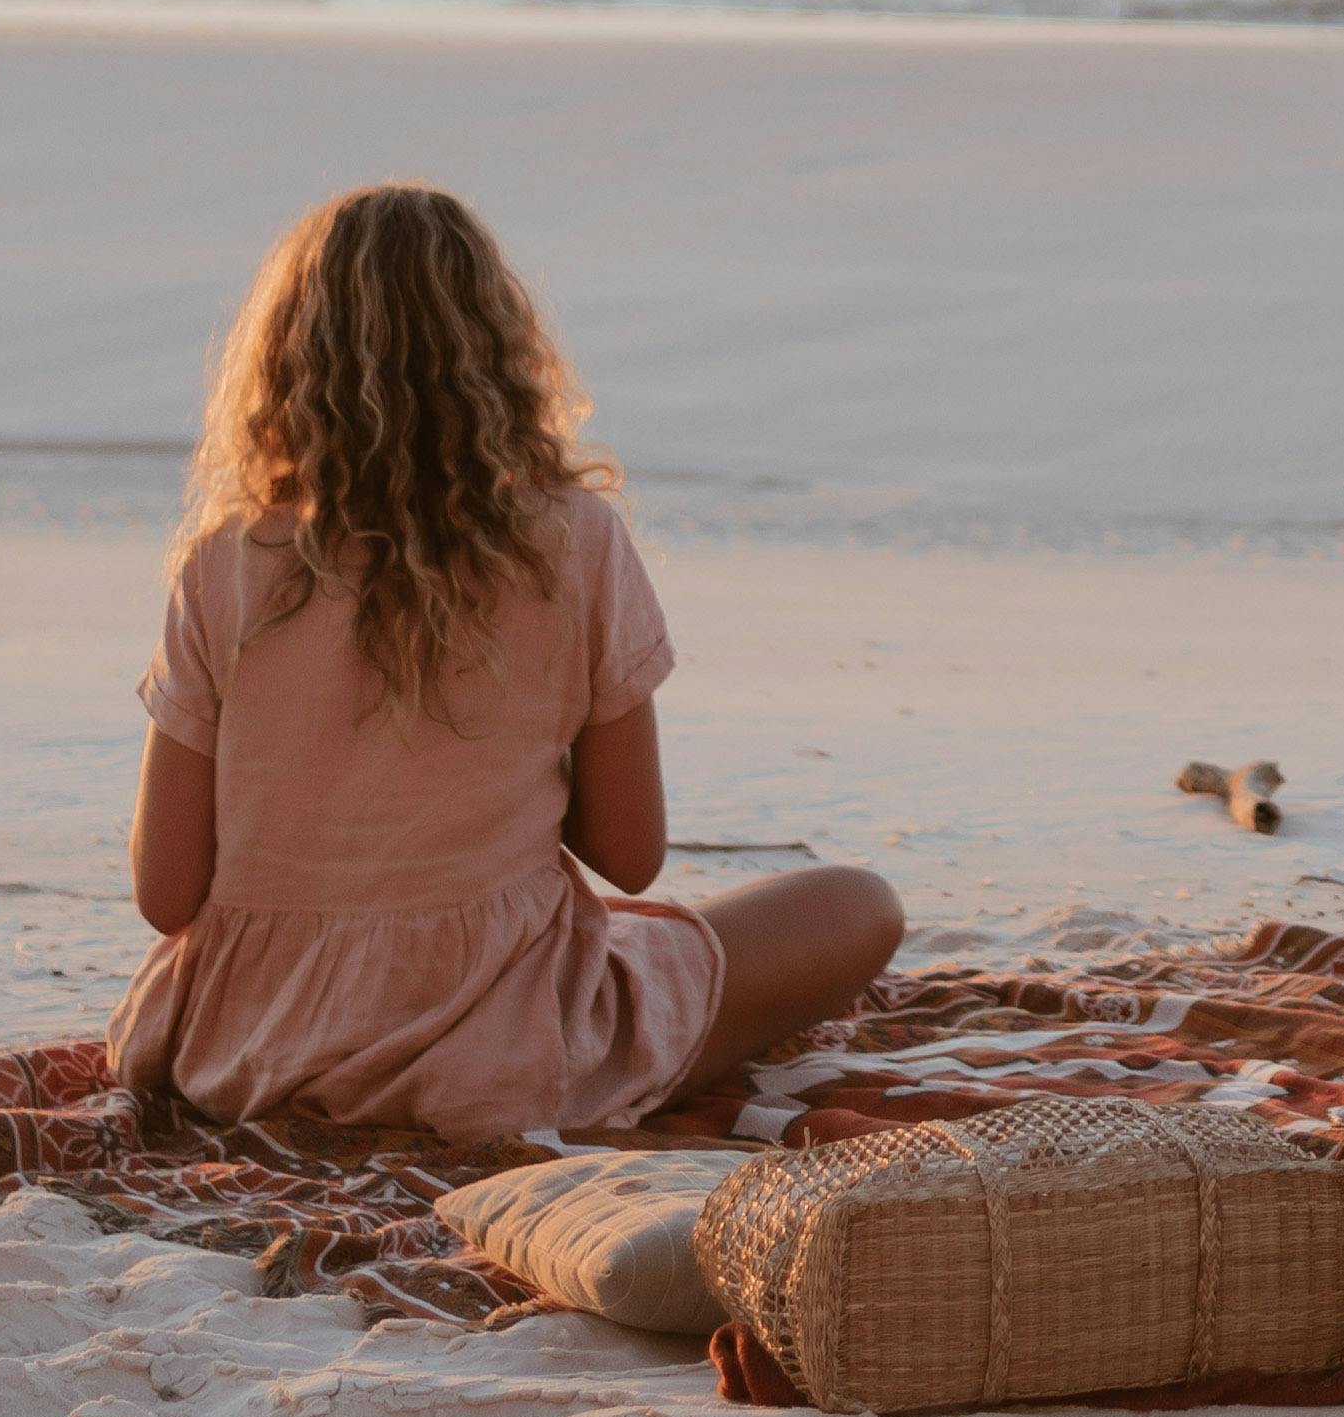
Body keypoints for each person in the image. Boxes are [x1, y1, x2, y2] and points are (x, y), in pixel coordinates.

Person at [109, 183, 899, 1134]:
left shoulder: (226, 563)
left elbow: (165, 894)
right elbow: (631, 854)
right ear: (498, 350)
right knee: (857, 901)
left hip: (246, 1051)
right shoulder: (571, 542)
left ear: (285, 364)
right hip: (492, 1049)